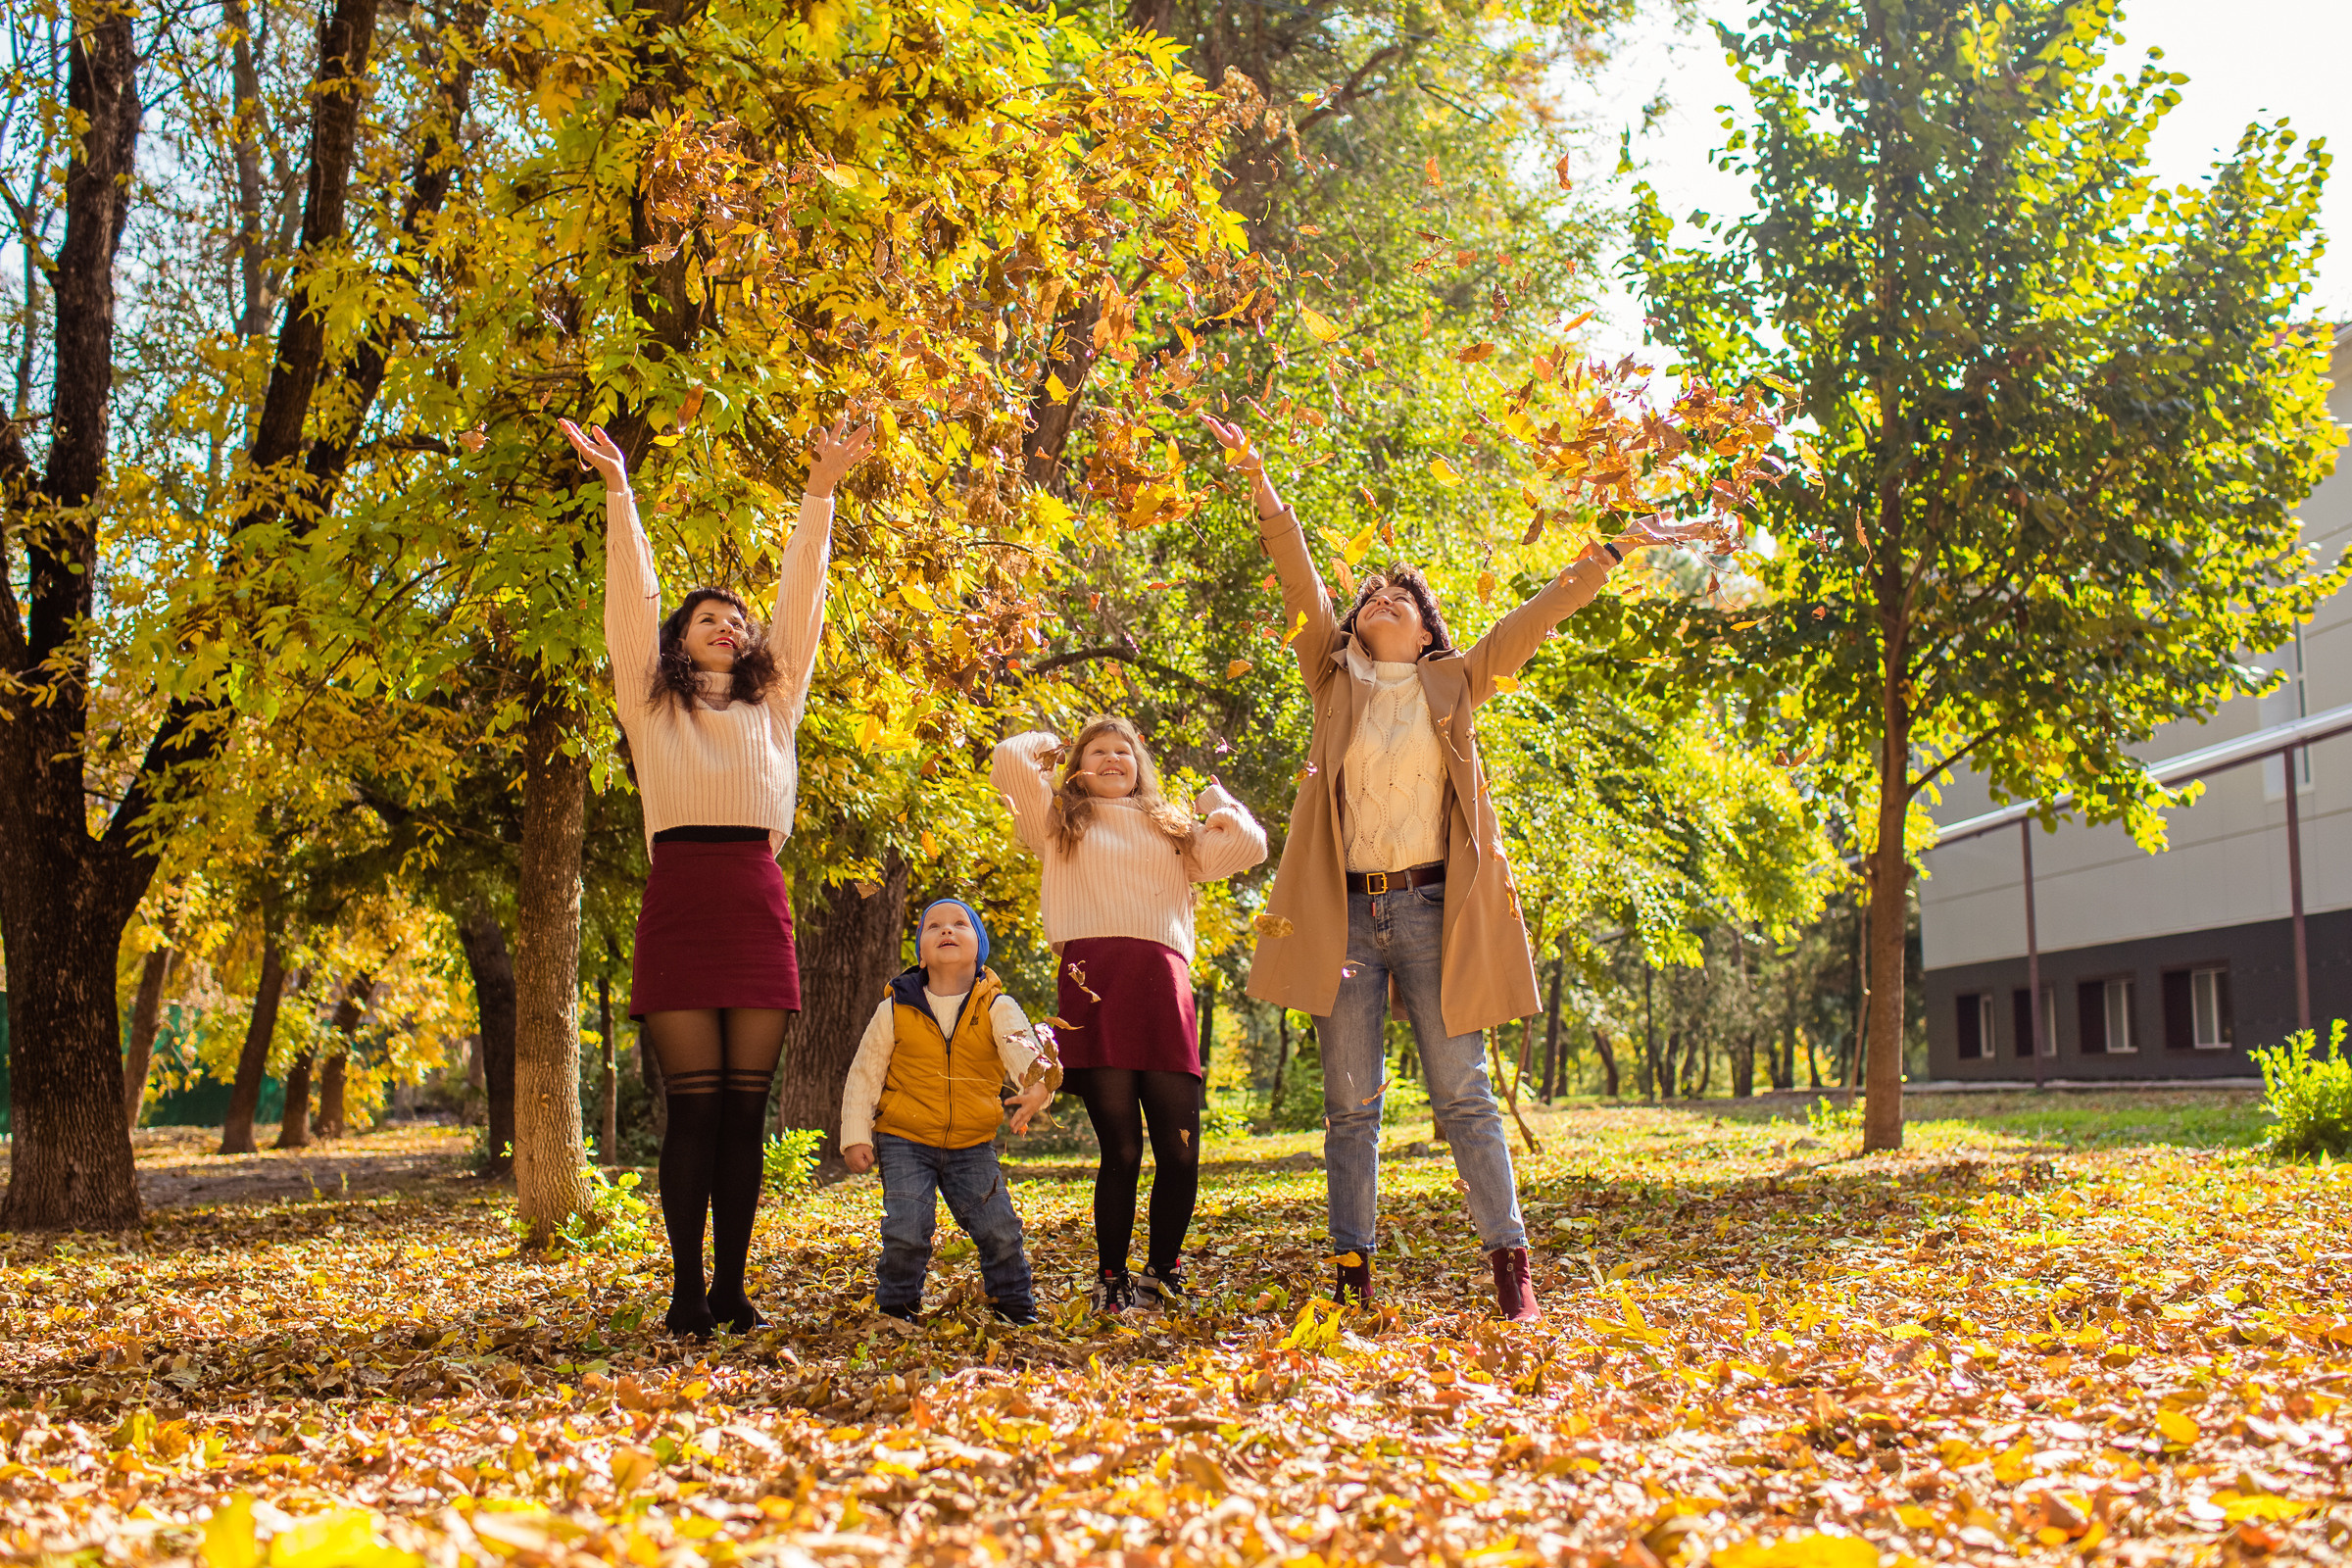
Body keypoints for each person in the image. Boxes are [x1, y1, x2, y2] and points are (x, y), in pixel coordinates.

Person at [1200, 411, 1709, 1323]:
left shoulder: (1458, 681)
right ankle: (1351, 1276)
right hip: (1346, 917)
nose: (1378, 602)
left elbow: (1541, 611)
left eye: (1400, 597)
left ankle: (1511, 1268)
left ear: (1428, 630)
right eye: (1370, 599)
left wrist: (1617, 549)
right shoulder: (1331, 674)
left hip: (1435, 910)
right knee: (1351, 1106)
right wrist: (1259, 480)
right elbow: (1298, 574)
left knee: (1463, 1094)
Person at [562, 413, 873, 1339]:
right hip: (682, 900)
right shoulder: (650, 707)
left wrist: (820, 491)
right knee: (692, 1111)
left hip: (753, 897)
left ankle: (733, 1289)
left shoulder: (776, 706)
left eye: (738, 620)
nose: (730, 627)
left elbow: (803, 600)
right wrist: (621, 495)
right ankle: (685, 1292)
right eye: (709, 618)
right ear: (679, 638)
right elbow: (629, 602)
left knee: (748, 1112)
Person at [992, 717, 1267, 1311]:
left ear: (1142, 765)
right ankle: (1111, 1278)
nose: (1114, 759)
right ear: (1077, 764)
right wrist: (1061, 752)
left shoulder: (1171, 828)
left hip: (1163, 987)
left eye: (1125, 751)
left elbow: (1249, 844)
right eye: (1099, 752)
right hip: (1094, 985)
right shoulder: (1058, 822)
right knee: (1119, 1149)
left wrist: (1214, 800)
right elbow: (1011, 759)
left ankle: (1162, 1272)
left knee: (1180, 1147)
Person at [838, 899, 1060, 1324]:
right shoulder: (895, 1008)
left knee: (999, 1228)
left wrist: (1036, 1093)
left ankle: (1014, 1308)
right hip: (904, 1137)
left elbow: (1027, 1057)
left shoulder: (997, 1006)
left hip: (971, 1144)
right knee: (907, 1228)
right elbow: (864, 1073)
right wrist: (856, 1136)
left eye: (961, 924)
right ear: (921, 950)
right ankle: (897, 1310)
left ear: (979, 945)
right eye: (934, 926)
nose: (947, 930)